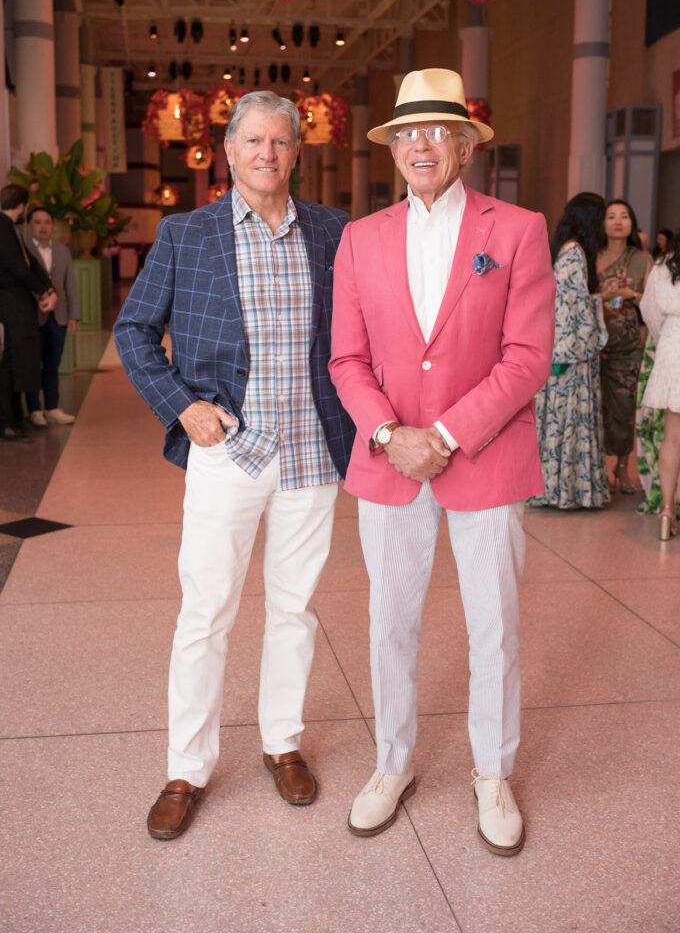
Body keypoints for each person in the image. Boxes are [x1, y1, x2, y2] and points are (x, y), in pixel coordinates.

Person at [114, 91, 354, 840]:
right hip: (228, 452)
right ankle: (186, 768)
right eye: (253, 140)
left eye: (280, 141)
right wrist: (181, 406)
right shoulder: (186, 234)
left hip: (312, 452)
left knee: (295, 608)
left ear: (297, 152)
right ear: (228, 151)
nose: (266, 154)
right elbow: (133, 329)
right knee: (206, 613)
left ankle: (282, 744)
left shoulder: (334, 232)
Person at [329, 69, 555, 855]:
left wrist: (448, 435)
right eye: (406, 133)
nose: (420, 145)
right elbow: (347, 360)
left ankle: (492, 773)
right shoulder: (360, 239)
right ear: (393, 148)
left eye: (437, 132)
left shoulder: (517, 229)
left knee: (494, 626)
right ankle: (392, 764)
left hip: (485, 458)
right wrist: (392, 434)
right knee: (389, 623)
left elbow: (528, 357)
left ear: (464, 146)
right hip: (390, 462)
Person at [528, 193, 609, 508]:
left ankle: (559, 488)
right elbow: (572, 309)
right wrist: (598, 308)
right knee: (569, 421)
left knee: (558, 423)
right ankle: (566, 491)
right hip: (571, 354)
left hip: (563, 350)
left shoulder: (565, 250)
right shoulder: (575, 254)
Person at [597, 199, 651, 493]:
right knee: (595, 408)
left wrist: (631, 293)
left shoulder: (641, 259)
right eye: (611, 216)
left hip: (627, 346)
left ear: (632, 223)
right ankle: (597, 471)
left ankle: (621, 465)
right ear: (602, 223)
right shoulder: (592, 256)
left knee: (624, 407)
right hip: (592, 346)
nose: (618, 221)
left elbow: (654, 302)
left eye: (624, 216)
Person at [0, 185, 56, 442]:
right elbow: (18, 267)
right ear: (22, 205)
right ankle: (7, 422)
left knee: (19, 359)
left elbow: (29, 262)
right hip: (11, 300)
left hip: (18, 300)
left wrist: (47, 288)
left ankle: (16, 416)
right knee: (13, 361)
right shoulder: (2, 227)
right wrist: (43, 292)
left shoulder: (10, 227)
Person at [639, 231, 680, 539]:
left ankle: (667, 510)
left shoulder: (664, 265)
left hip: (672, 345)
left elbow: (649, 311)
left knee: (672, 437)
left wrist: (663, 336)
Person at [25, 207, 81, 426]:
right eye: (37, 222)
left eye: (47, 222)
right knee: (32, 364)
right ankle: (34, 409)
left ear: (53, 226)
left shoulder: (62, 250)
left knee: (52, 364)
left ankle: (52, 408)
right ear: (29, 225)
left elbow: (70, 285)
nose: (43, 226)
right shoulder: (24, 249)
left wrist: (73, 315)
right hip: (32, 316)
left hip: (58, 317)